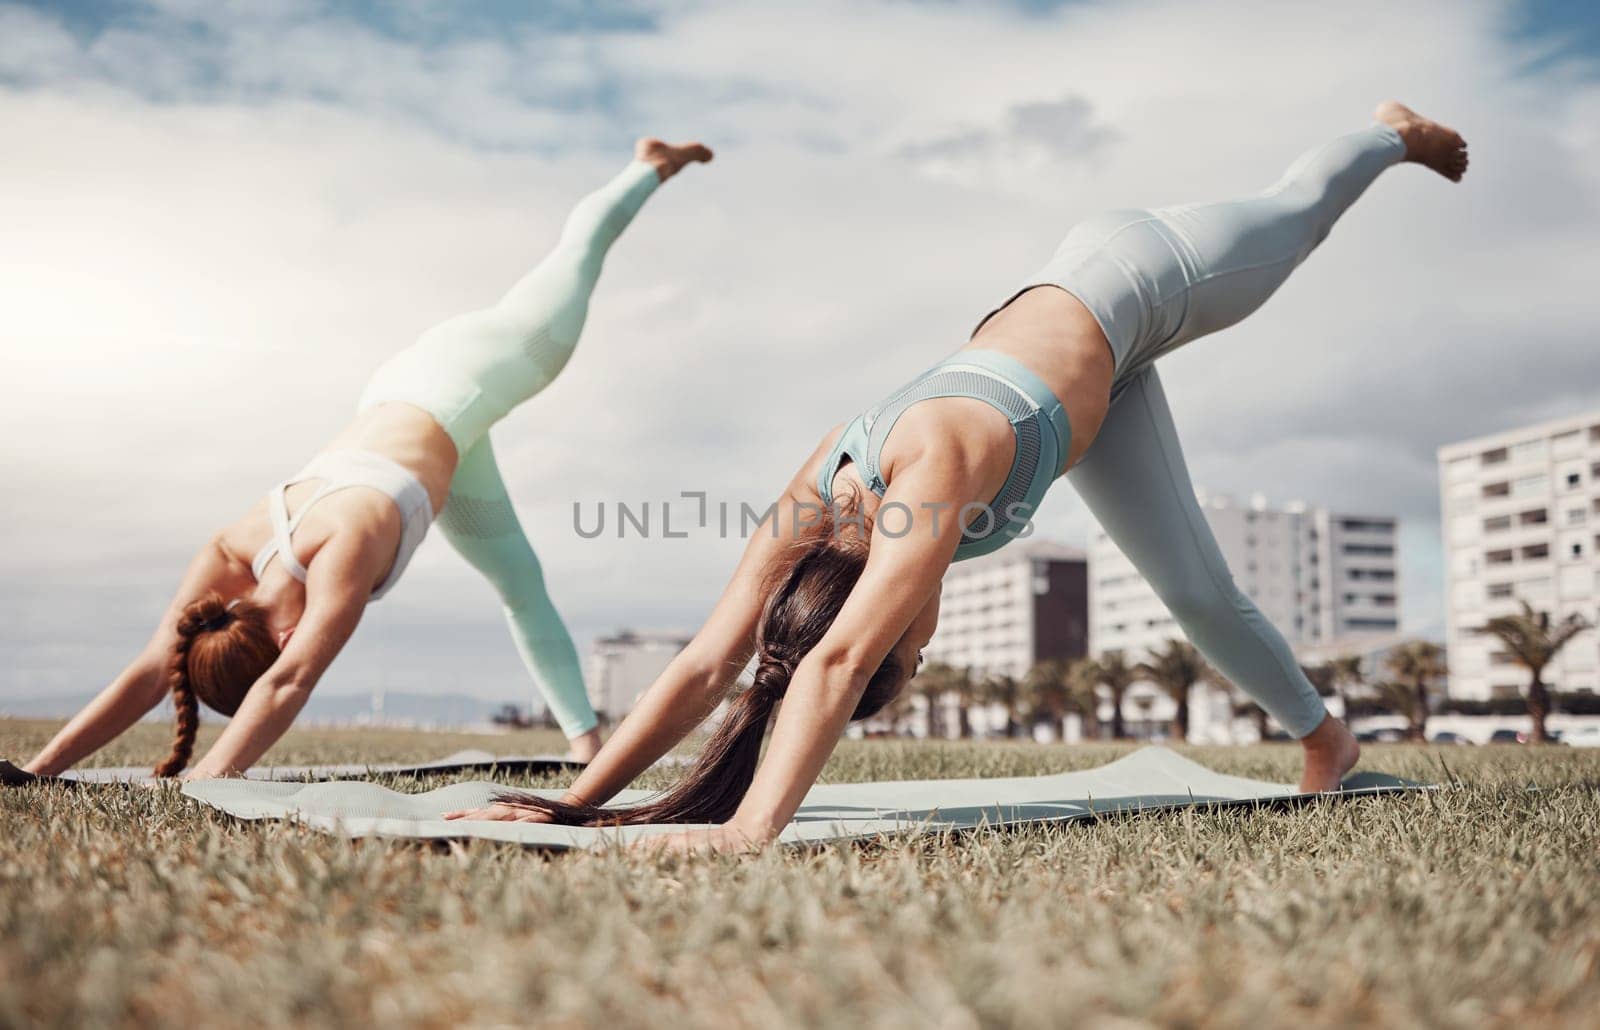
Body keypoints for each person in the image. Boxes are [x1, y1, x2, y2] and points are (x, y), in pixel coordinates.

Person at [450, 101, 1468, 852]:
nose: (924, 650)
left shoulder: (925, 482)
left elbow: (838, 662)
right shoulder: (821, 499)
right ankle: (1325, 738)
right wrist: (577, 802)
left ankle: (1385, 133)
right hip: (1105, 382)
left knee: (1301, 211)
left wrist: (750, 827)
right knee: (1199, 592)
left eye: (914, 657)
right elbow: (707, 663)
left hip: (1144, 272)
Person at [22, 138, 714, 780]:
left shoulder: (342, 549)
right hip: (412, 410)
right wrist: (36, 771)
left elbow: (290, 681)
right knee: (519, 582)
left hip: (476, 372)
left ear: (286, 635)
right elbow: (154, 667)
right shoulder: (231, 560)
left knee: (576, 257)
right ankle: (587, 744)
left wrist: (209, 780)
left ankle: (646, 165)